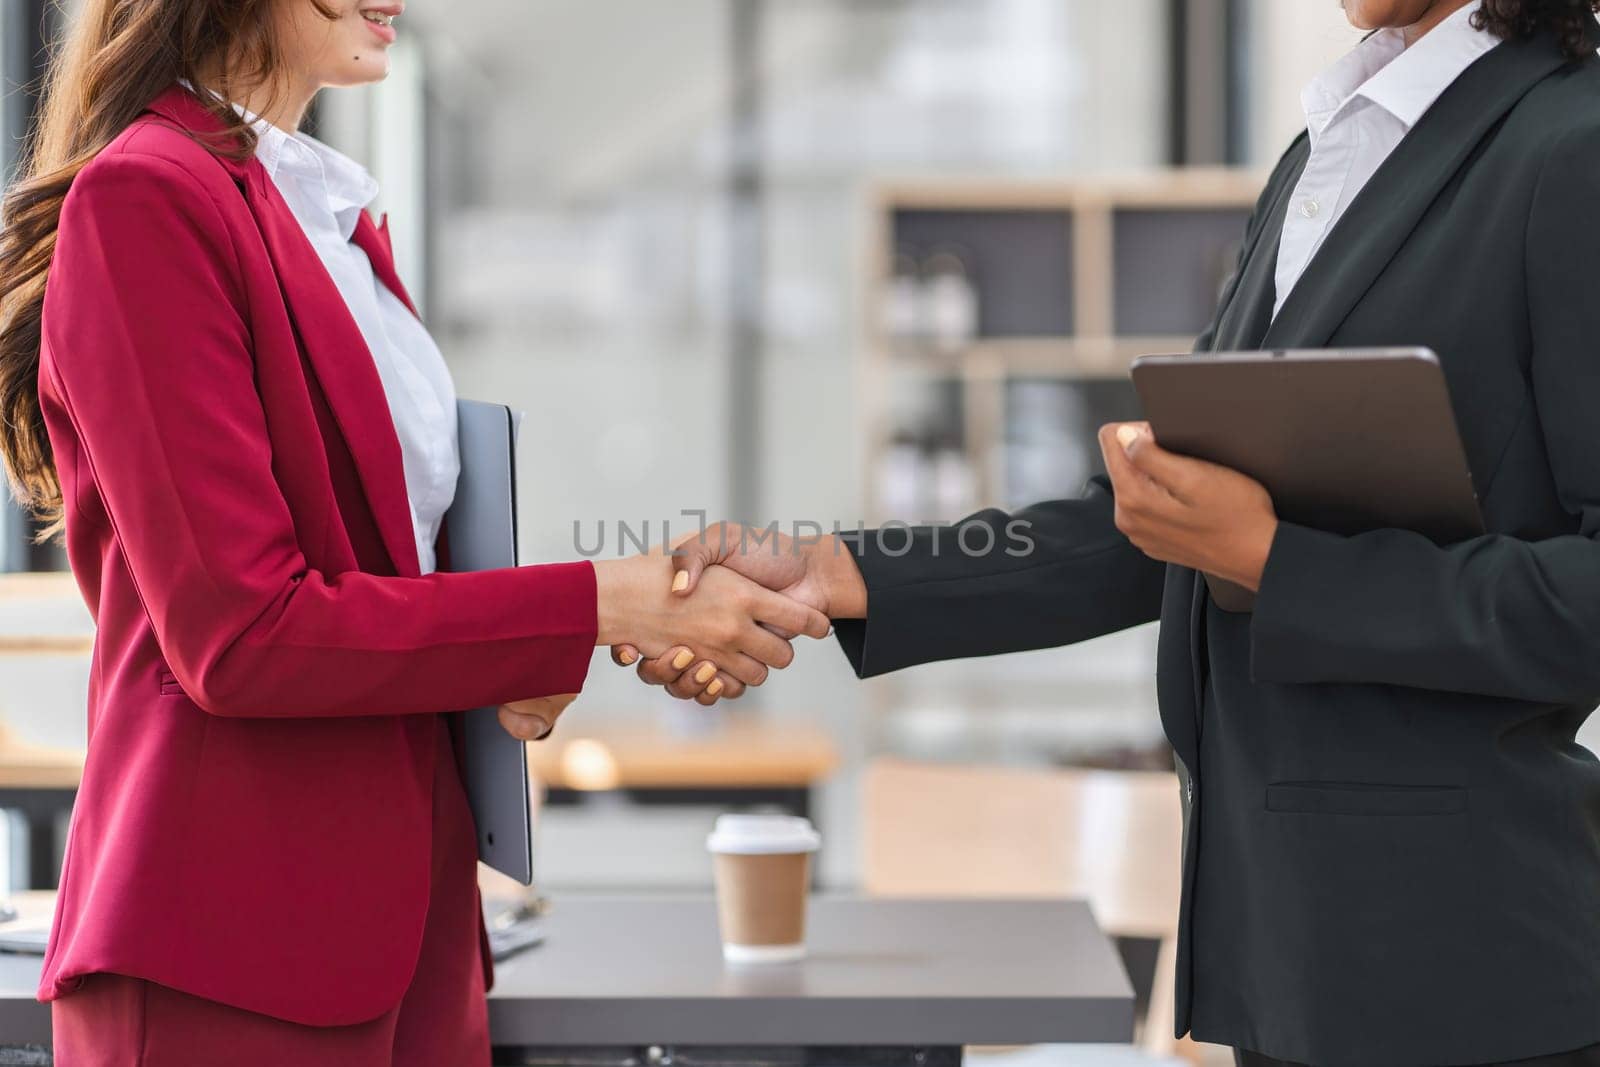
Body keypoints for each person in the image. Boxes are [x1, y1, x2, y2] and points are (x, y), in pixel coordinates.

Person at [620, 1, 1600, 1064]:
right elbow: (1150, 523)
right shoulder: (1340, 146)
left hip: (1463, 972)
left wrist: (1277, 564)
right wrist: (825, 570)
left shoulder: (1570, 145)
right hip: (1294, 958)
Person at [0, 2, 830, 1063]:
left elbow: (377, 569)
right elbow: (242, 632)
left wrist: (504, 655)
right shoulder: (148, 197)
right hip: (230, 938)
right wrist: (597, 602)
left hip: (412, 920)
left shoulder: (317, 211)